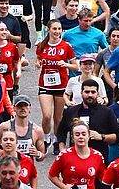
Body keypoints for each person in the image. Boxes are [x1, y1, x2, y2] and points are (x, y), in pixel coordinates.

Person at [35, 19, 76, 150]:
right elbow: (39, 59)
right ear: (48, 30)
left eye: (59, 29)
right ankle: (46, 137)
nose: (57, 32)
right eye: (54, 29)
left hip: (61, 85)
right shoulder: (42, 45)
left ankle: (57, 139)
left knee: (58, 118)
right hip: (45, 85)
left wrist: (66, 64)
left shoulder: (66, 46)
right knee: (47, 116)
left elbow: (76, 66)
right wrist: (38, 63)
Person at [56, 79, 119, 157]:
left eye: (93, 92)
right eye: (87, 92)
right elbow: (61, 132)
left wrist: (101, 137)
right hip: (75, 158)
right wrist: (62, 149)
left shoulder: (107, 112)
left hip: (99, 158)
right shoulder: (71, 111)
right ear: (81, 93)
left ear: (97, 94)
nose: (90, 95)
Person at [48, 121, 106, 189]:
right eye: (77, 134)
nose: (81, 137)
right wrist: (64, 187)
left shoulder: (97, 156)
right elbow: (52, 175)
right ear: (72, 138)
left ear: (89, 136)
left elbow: (104, 178)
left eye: (84, 134)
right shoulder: (64, 155)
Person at [0, 94, 47, 164]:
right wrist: (6, 152)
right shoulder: (5, 127)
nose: (23, 108)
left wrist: (37, 154)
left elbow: (42, 156)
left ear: (30, 107)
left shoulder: (37, 130)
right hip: (8, 168)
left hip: (26, 170)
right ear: (14, 108)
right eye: (19, 106)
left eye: (25, 105)